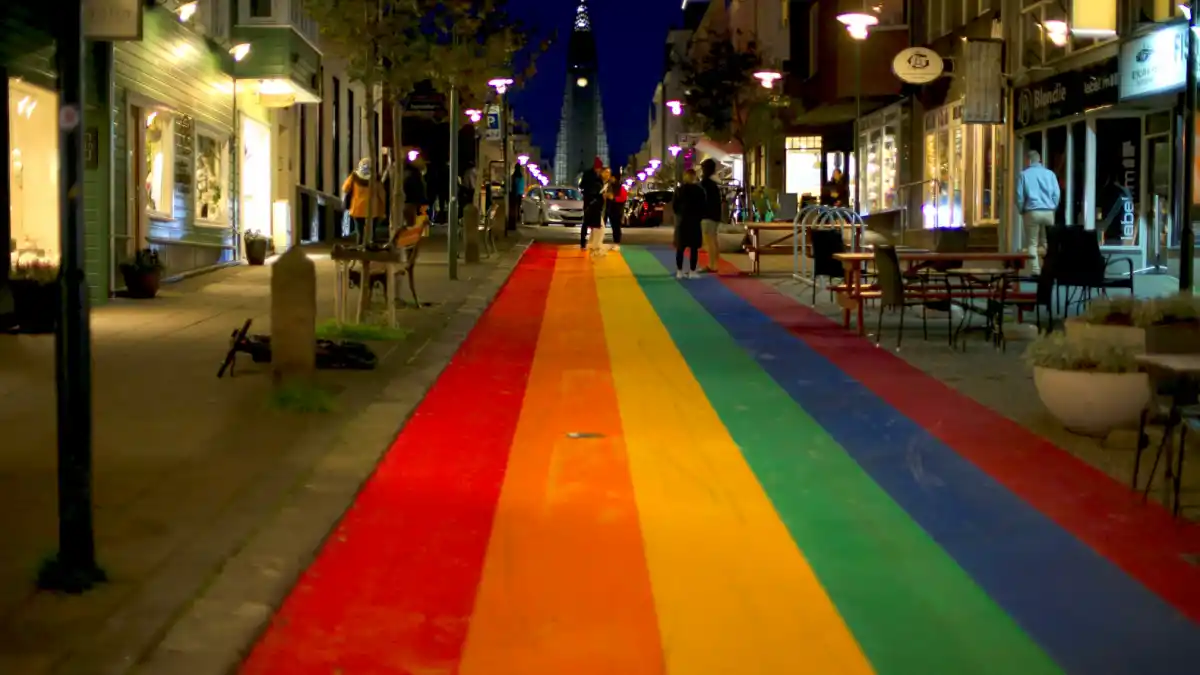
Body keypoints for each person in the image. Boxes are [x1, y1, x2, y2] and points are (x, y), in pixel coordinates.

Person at [1015, 149, 1060, 274]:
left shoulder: (1023, 175)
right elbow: (1056, 194)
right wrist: (1052, 206)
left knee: (1032, 243)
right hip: (1048, 212)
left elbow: (1019, 196)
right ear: (1039, 160)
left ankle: (1035, 270)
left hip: (1032, 211)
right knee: (1047, 241)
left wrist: (1021, 209)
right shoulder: (1050, 174)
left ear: (1029, 161)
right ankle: (1050, 268)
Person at [342, 158, 387, 246]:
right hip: (373, 209)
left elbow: (345, 188)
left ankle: (360, 246)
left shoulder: (354, 176)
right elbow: (382, 194)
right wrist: (383, 207)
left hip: (357, 208)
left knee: (359, 231)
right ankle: (371, 246)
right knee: (372, 231)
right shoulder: (376, 178)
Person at [673, 169, 706, 278]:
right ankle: (692, 271)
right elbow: (703, 206)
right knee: (694, 248)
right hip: (694, 221)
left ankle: (679, 271)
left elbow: (675, 206)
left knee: (680, 247)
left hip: (682, 221)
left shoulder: (679, 190)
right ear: (694, 177)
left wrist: (679, 214)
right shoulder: (699, 191)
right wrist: (699, 217)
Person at [699, 158, 724, 273]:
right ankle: (715, 264)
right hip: (715, 214)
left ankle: (712, 265)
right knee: (713, 239)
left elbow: (702, 200)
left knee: (709, 240)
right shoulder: (715, 182)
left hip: (707, 215)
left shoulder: (705, 183)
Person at [580, 157, 605, 250]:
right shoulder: (590, 175)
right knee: (588, 222)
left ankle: (591, 242)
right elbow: (582, 185)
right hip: (591, 201)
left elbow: (581, 185)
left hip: (594, 201)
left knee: (591, 222)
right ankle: (585, 242)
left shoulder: (597, 175)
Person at [601, 167, 623, 251]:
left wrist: (607, 195)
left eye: (609, 173)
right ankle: (599, 242)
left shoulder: (616, 185)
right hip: (606, 207)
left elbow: (613, 196)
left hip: (615, 208)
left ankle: (617, 243)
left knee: (615, 226)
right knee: (601, 226)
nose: (607, 175)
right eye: (605, 172)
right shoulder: (606, 183)